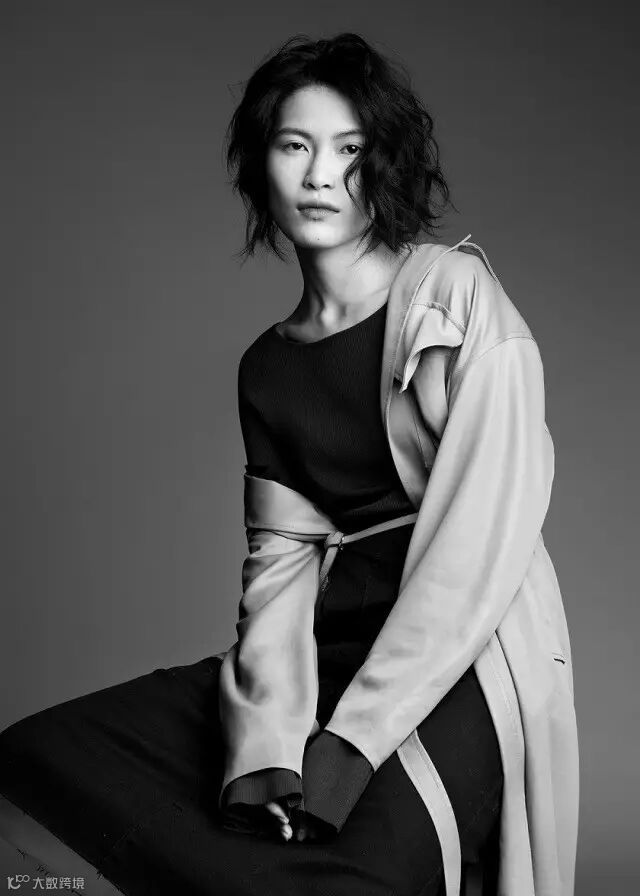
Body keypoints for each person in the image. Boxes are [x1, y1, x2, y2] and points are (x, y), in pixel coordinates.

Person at [0, 32, 578, 896]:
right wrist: (266, 749)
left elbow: (478, 547)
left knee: (347, 876)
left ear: (383, 166)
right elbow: (279, 572)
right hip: (326, 652)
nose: (320, 177)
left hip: (466, 658)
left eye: (349, 151)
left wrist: (350, 745)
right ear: (259, 165)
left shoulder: (457, 299)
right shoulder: (267, 369)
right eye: (295, 146)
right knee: (41, 760)